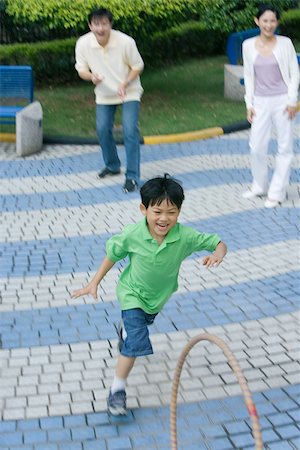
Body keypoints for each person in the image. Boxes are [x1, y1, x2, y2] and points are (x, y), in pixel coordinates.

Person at [71, 174, 227, 415]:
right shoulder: (133, 234)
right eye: (157, 212)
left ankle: (126, 331)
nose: (164, 219)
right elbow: (113, 254)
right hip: (131, 294)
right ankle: (117, 390)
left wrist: (218, 254)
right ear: (144, 209)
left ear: (179, 212)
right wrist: (94, 283)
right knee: (135, 343)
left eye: (171, 212)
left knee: (138, 327)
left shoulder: (184, 237)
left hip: (156, 301)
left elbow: (218, 242)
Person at [75, 8, 144, 193]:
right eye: (96, 24)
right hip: (104, 93)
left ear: (110, 24)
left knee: (130, 130)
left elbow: (138, 66)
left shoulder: (125, 42)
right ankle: (113, 165)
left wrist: (125, 83)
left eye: (104, 23)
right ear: (90, 25)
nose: (100, 28)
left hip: (128, 91)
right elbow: (81, 69)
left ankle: (132, 176)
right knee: (102, 129)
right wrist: (91, 77)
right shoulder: (83, 43)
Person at [242, 4, 299, 208]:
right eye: (265, 20)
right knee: (256, 146)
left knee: (285, 147)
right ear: (257, 21)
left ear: (277, 22)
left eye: (272, 21)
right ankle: (260, 185)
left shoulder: (285, 44)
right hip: (260, 101)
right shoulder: (248, 45)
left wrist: (293, 101)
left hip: (283, 101)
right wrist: (249, 103)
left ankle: (277, 192)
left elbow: (294, 73)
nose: (269, 25)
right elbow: (248, 75)